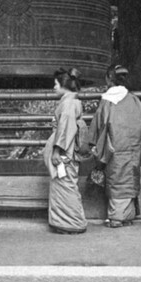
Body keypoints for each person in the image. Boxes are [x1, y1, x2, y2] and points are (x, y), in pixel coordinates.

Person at [88, 64, 141, 228]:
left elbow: (99, 124)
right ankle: (127, 214)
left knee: (116, 178)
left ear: (108, 79)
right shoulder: (135, 100)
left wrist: (91, 144)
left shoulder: (107, 101)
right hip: (133, 146)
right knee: (129, 177)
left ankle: (117, 217)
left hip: (114, 146)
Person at [43, 68, 88, 235]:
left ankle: (72, 222)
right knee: (64, 184)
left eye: (56, 84)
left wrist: (57, 150)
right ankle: (65, 221)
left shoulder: (68, 104)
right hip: (67, 149)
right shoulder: (70, 102)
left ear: (63, 85)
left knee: (65, 183)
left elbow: (65, 129)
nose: (54, 87)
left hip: (64, 151)